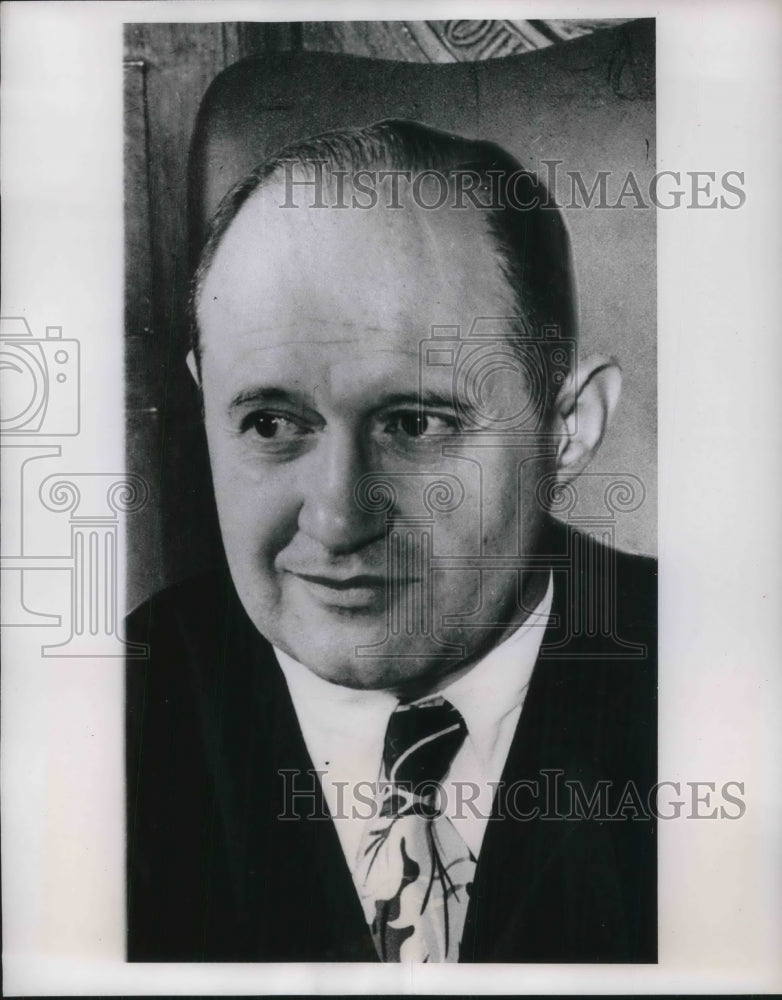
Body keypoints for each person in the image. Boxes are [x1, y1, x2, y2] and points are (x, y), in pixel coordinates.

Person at [126, 119, 656, 963]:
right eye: (269, 422)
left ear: (568, 425)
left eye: (416, 423)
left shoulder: (727, 689)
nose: (337, 518)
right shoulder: (96, 727)